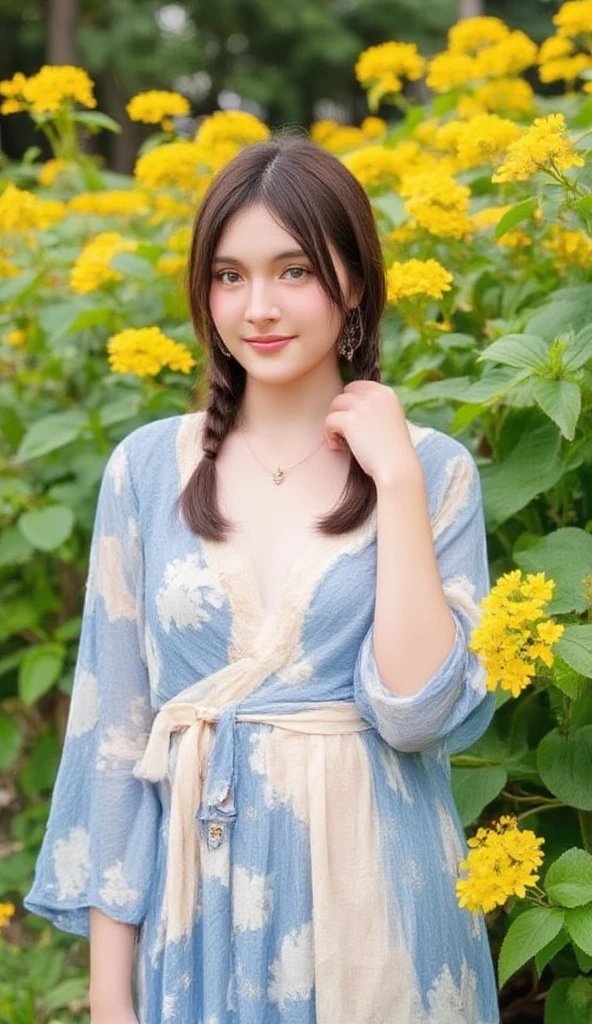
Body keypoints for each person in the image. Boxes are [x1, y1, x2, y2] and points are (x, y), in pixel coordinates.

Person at [24, 132, 500, 1024]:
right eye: (230, 276)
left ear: (353, 281)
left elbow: (415, 711)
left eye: (294, 270)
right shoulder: (144, 471)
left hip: (383, 908)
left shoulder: (433, 472)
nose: (260, 308)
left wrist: (392, 480)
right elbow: (113, 740)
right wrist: (109, 1001)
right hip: (198, 913)